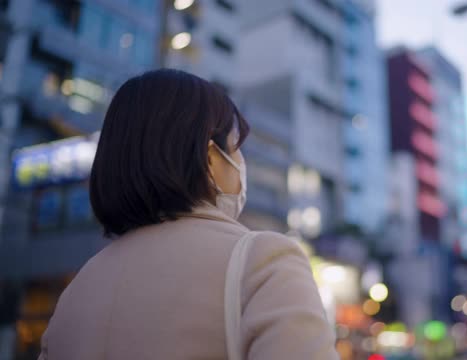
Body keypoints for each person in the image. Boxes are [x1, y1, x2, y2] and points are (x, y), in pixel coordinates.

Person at [38, 69, 338, 359]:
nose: (241, 163)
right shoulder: (262, 260)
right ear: (210, 158)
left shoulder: (77, 291)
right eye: (236, 148)